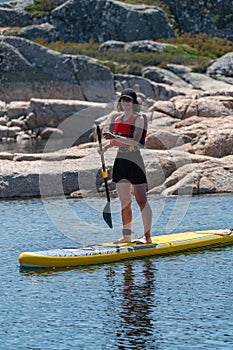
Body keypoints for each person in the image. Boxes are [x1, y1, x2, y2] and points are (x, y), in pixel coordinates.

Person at [99, 88, 152, 244]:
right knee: (125, 202)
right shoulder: (118, 120)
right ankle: (127, 236)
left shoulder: (139, 118)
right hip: (120, 159)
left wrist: (113, 136)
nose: (126, 103)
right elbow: (116, 141)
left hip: (134, 158)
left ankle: (147, 237)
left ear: (134, 103)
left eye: (129, 100)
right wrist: (105, 148)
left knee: (141, 200)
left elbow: (136, 141)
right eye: (123, 100)